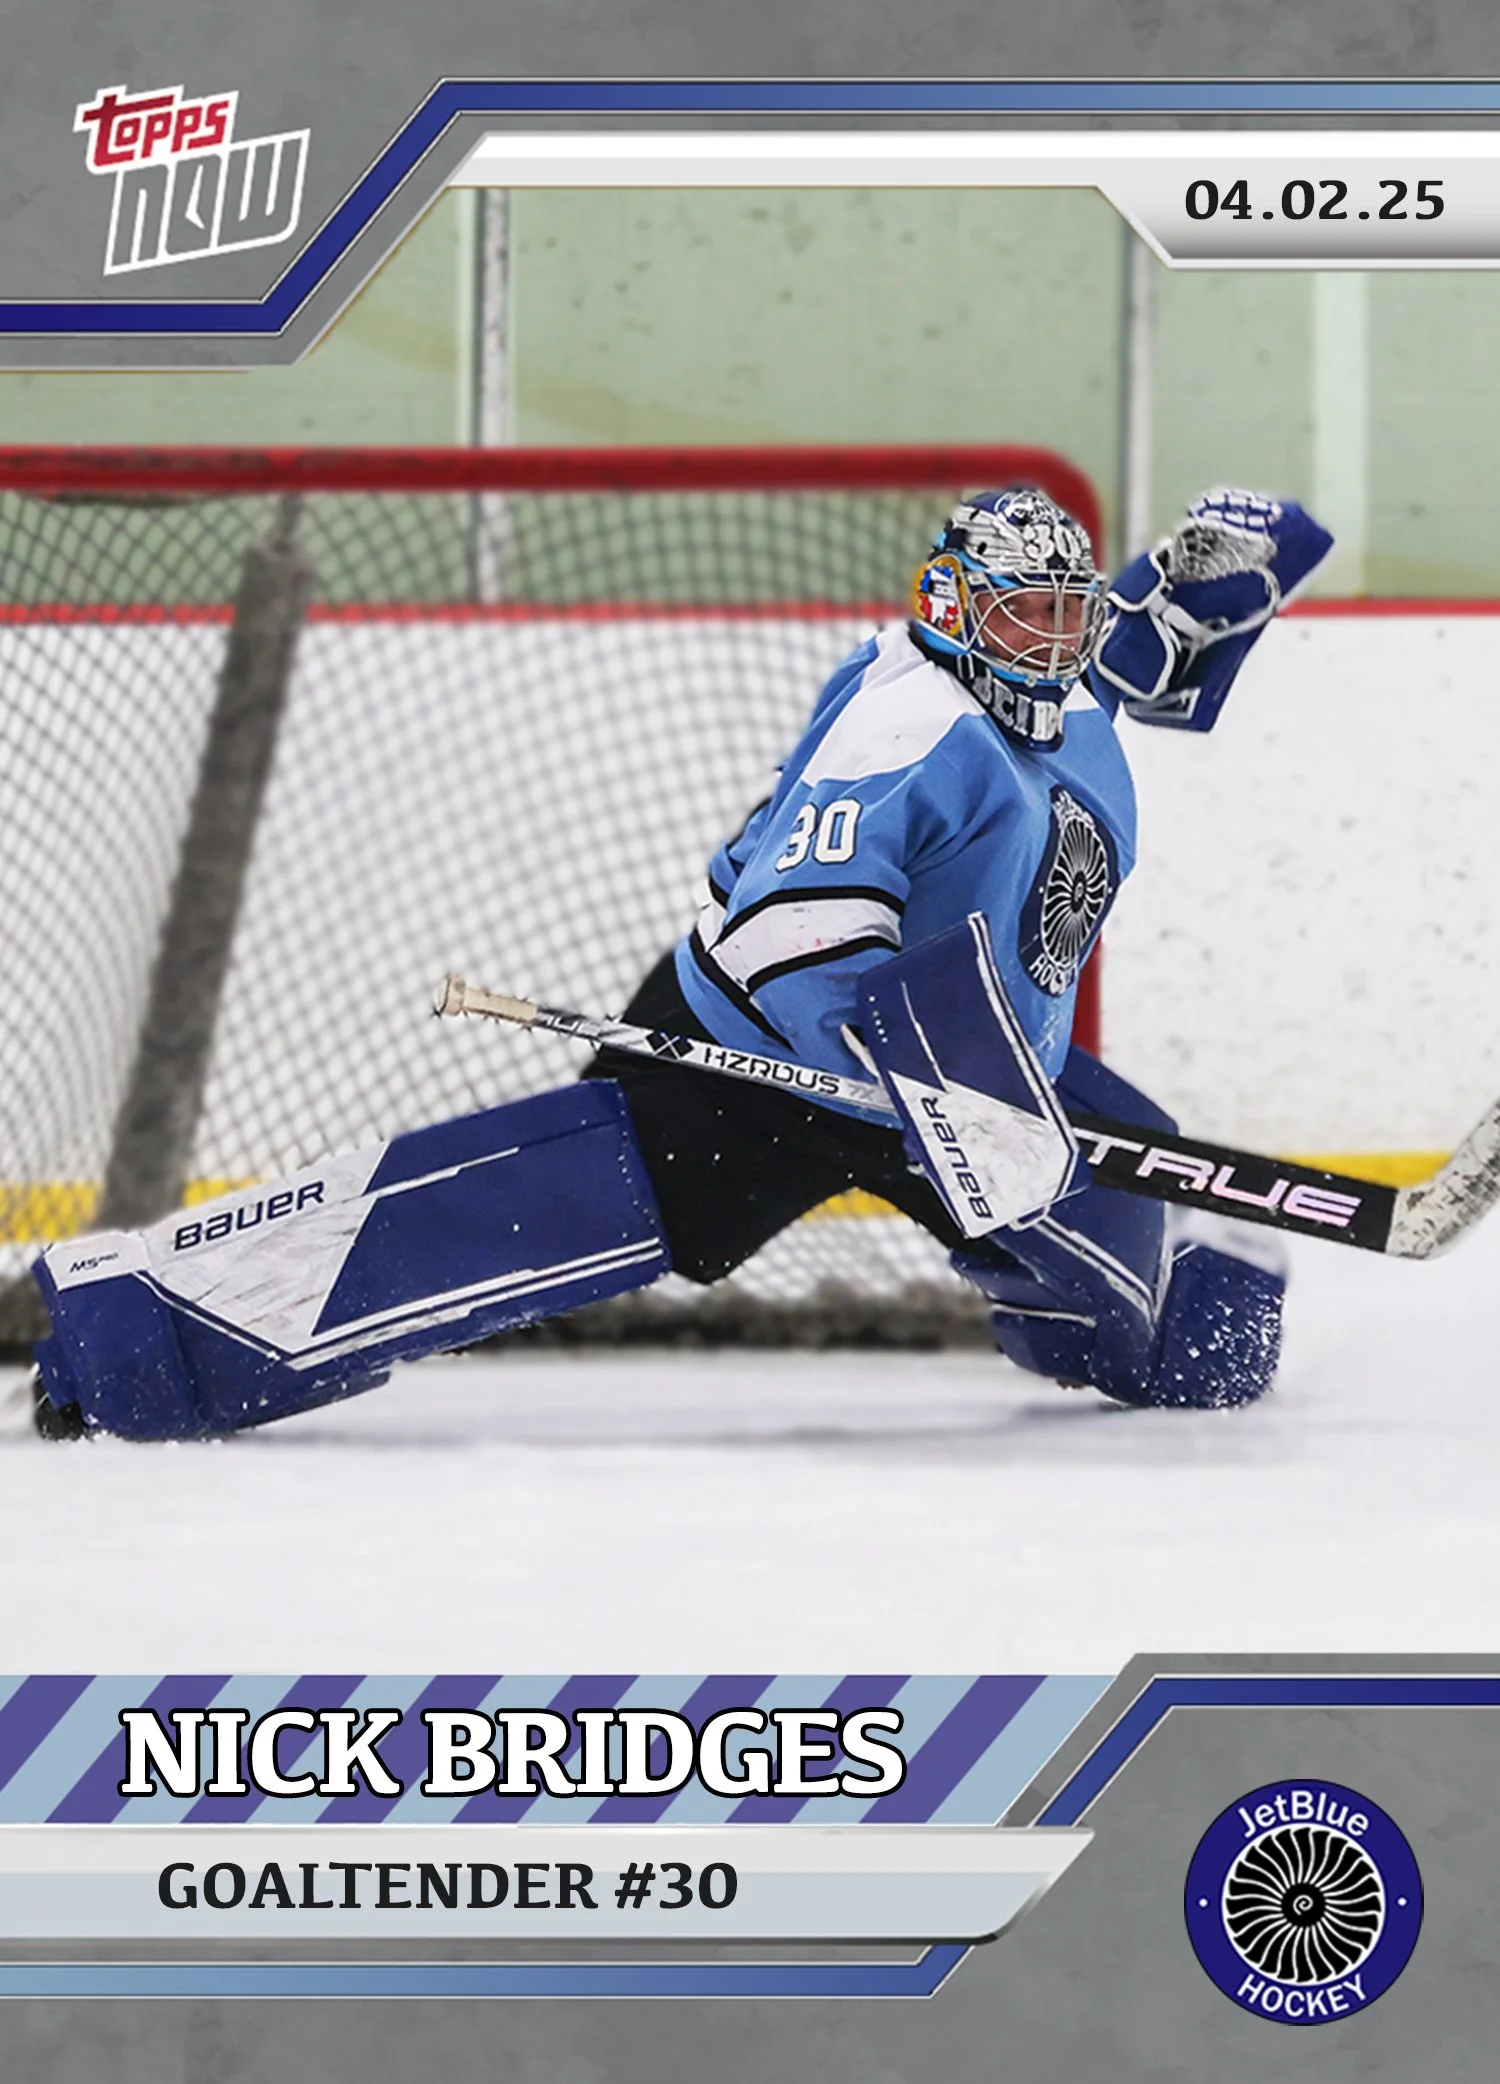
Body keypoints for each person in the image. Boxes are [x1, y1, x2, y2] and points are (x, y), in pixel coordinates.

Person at [29, 485, 1331, 1441]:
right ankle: (142, 1320)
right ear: (953, 608)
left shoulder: (1049, 673)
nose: (1058, 637)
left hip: (978, 1080)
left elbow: (1138, 648)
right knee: (490, 1223)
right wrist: (927, 1079)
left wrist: (1206, 565)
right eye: (1029, 614)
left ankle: (1058, 1299)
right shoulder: (906, 722)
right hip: (757, 1069)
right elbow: (790, 937)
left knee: (1191, 1344)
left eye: (1068, 610)